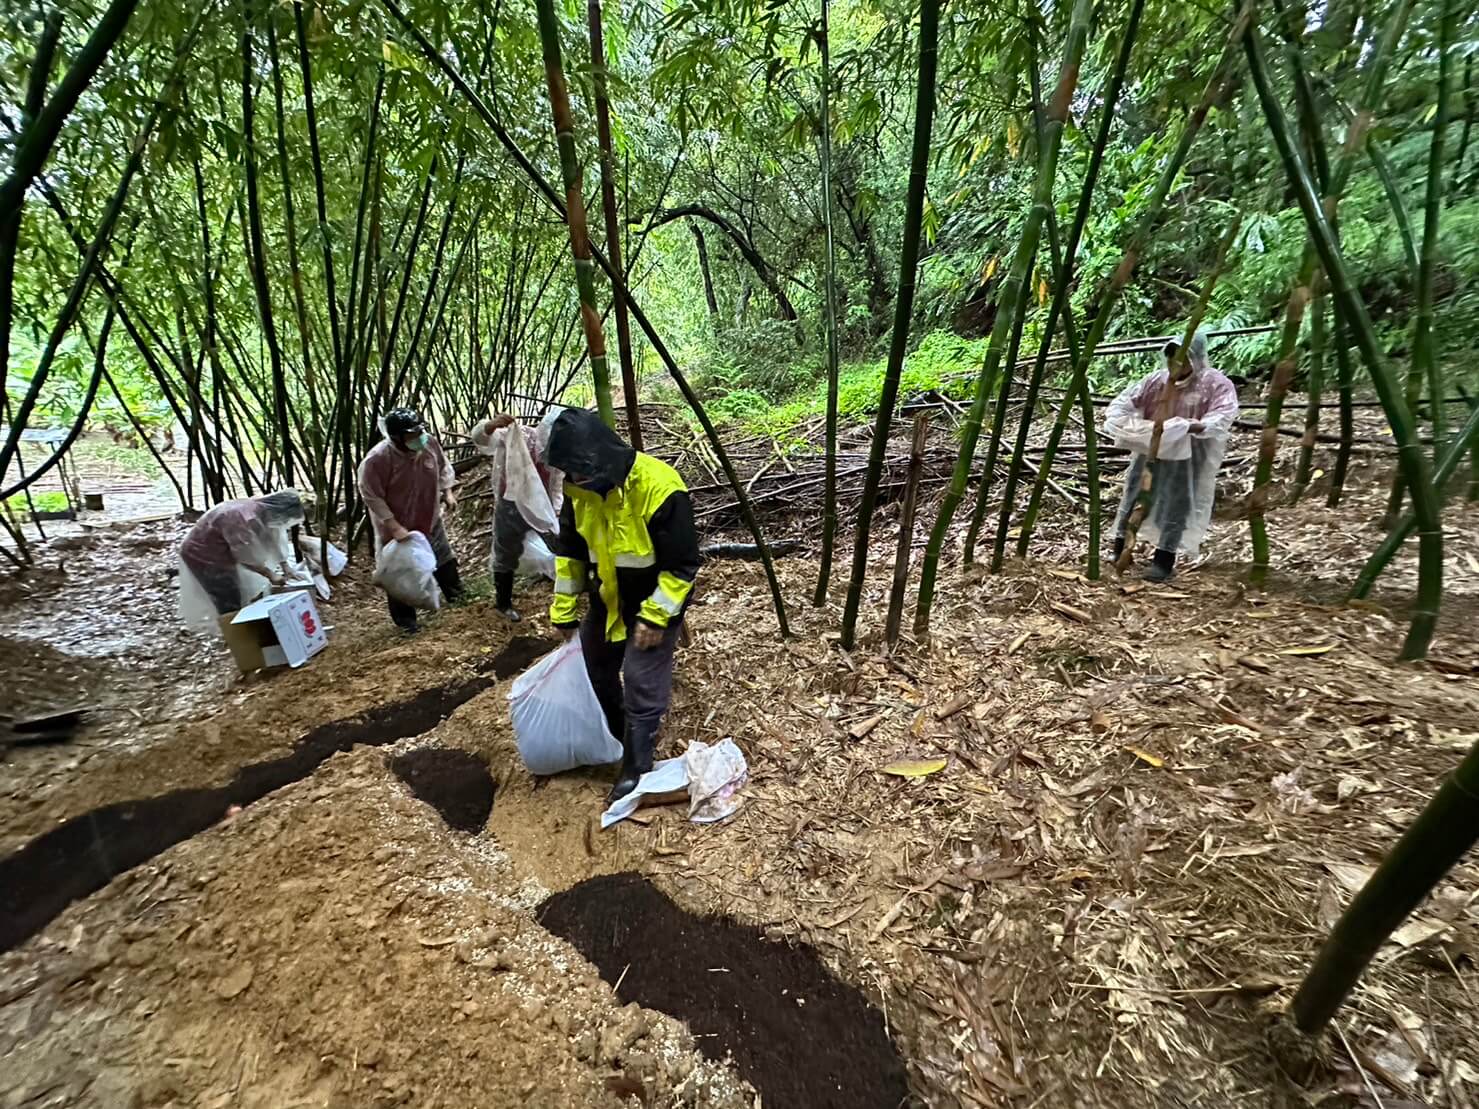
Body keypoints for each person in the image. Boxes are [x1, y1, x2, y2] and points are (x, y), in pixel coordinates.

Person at [544, 408, 700, 803]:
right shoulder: (579, 493)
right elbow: (571, 555)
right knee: (594, 664)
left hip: (656, 599)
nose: (575, 481)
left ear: (603, 458)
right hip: (609, 598)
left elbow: (682, 566)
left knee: (641, 675)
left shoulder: (659, 485)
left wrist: (656, 617)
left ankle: (636, 761)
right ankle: (616, 733)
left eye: (581, 473)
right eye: (570, 474)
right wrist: (564, 611)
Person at [1104, 330, 1239, 581]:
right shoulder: (1156, 381)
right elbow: (1125, 403)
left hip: (1189, 455)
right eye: (1170, 357)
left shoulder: (1215, 384)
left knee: (1178, 502)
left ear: (1196, 358)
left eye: (1182, 358)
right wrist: (1124, 422)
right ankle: (1120, 548)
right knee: (1135, 494)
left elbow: (1223, 414)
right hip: (1149, 449)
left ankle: (1163, 560)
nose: (1174, 364)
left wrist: (1190, 426)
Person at [358, 407, 463, 632]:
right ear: (397, 438)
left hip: (428, 515)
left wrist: (447, 492)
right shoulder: (378, 460)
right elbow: (371, 495)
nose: (418, 438)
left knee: (443, 557)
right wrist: (393, 525)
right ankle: (407, 623)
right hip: (396, 524)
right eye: (411, 435)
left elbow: (444, 467)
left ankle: (458, 598)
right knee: (400, 571)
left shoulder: (429, 444)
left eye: (419, 432)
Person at [470, 412, 564, 622]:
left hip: (542, 505)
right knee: (506, 553)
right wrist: (491, 425)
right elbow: (480, 439)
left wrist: (556, 510)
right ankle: (503, 603)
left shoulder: (560, 453)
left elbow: (556, 484)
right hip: (511, 506)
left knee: (560, 543)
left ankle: (569, 589)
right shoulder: (519, 436)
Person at [178, 489, 305, 627]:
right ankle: (237, 635)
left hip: (220, 550)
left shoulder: (262, 511)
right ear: (280, 511)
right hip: (202, 554)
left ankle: (242, 627)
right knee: (227, 597)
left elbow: (272, 536)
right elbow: (244, 555)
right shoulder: (239, 517)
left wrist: (285, 566)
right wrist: (270, 574)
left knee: (240, 592)